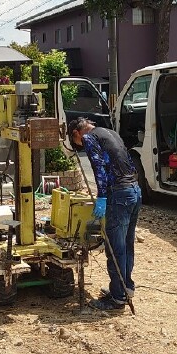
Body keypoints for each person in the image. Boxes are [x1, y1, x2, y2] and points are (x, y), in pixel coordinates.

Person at [68, 117, 142, 311]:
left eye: (76, 142)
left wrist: (102, 197)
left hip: (118, 195)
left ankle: (117, 298)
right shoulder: (110, 133)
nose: (80, 145)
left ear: (77, 133)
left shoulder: (89, 138)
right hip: (134, 190)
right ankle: (125, 288)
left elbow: (99, 169)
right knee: (126, 245)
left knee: (115, 248)